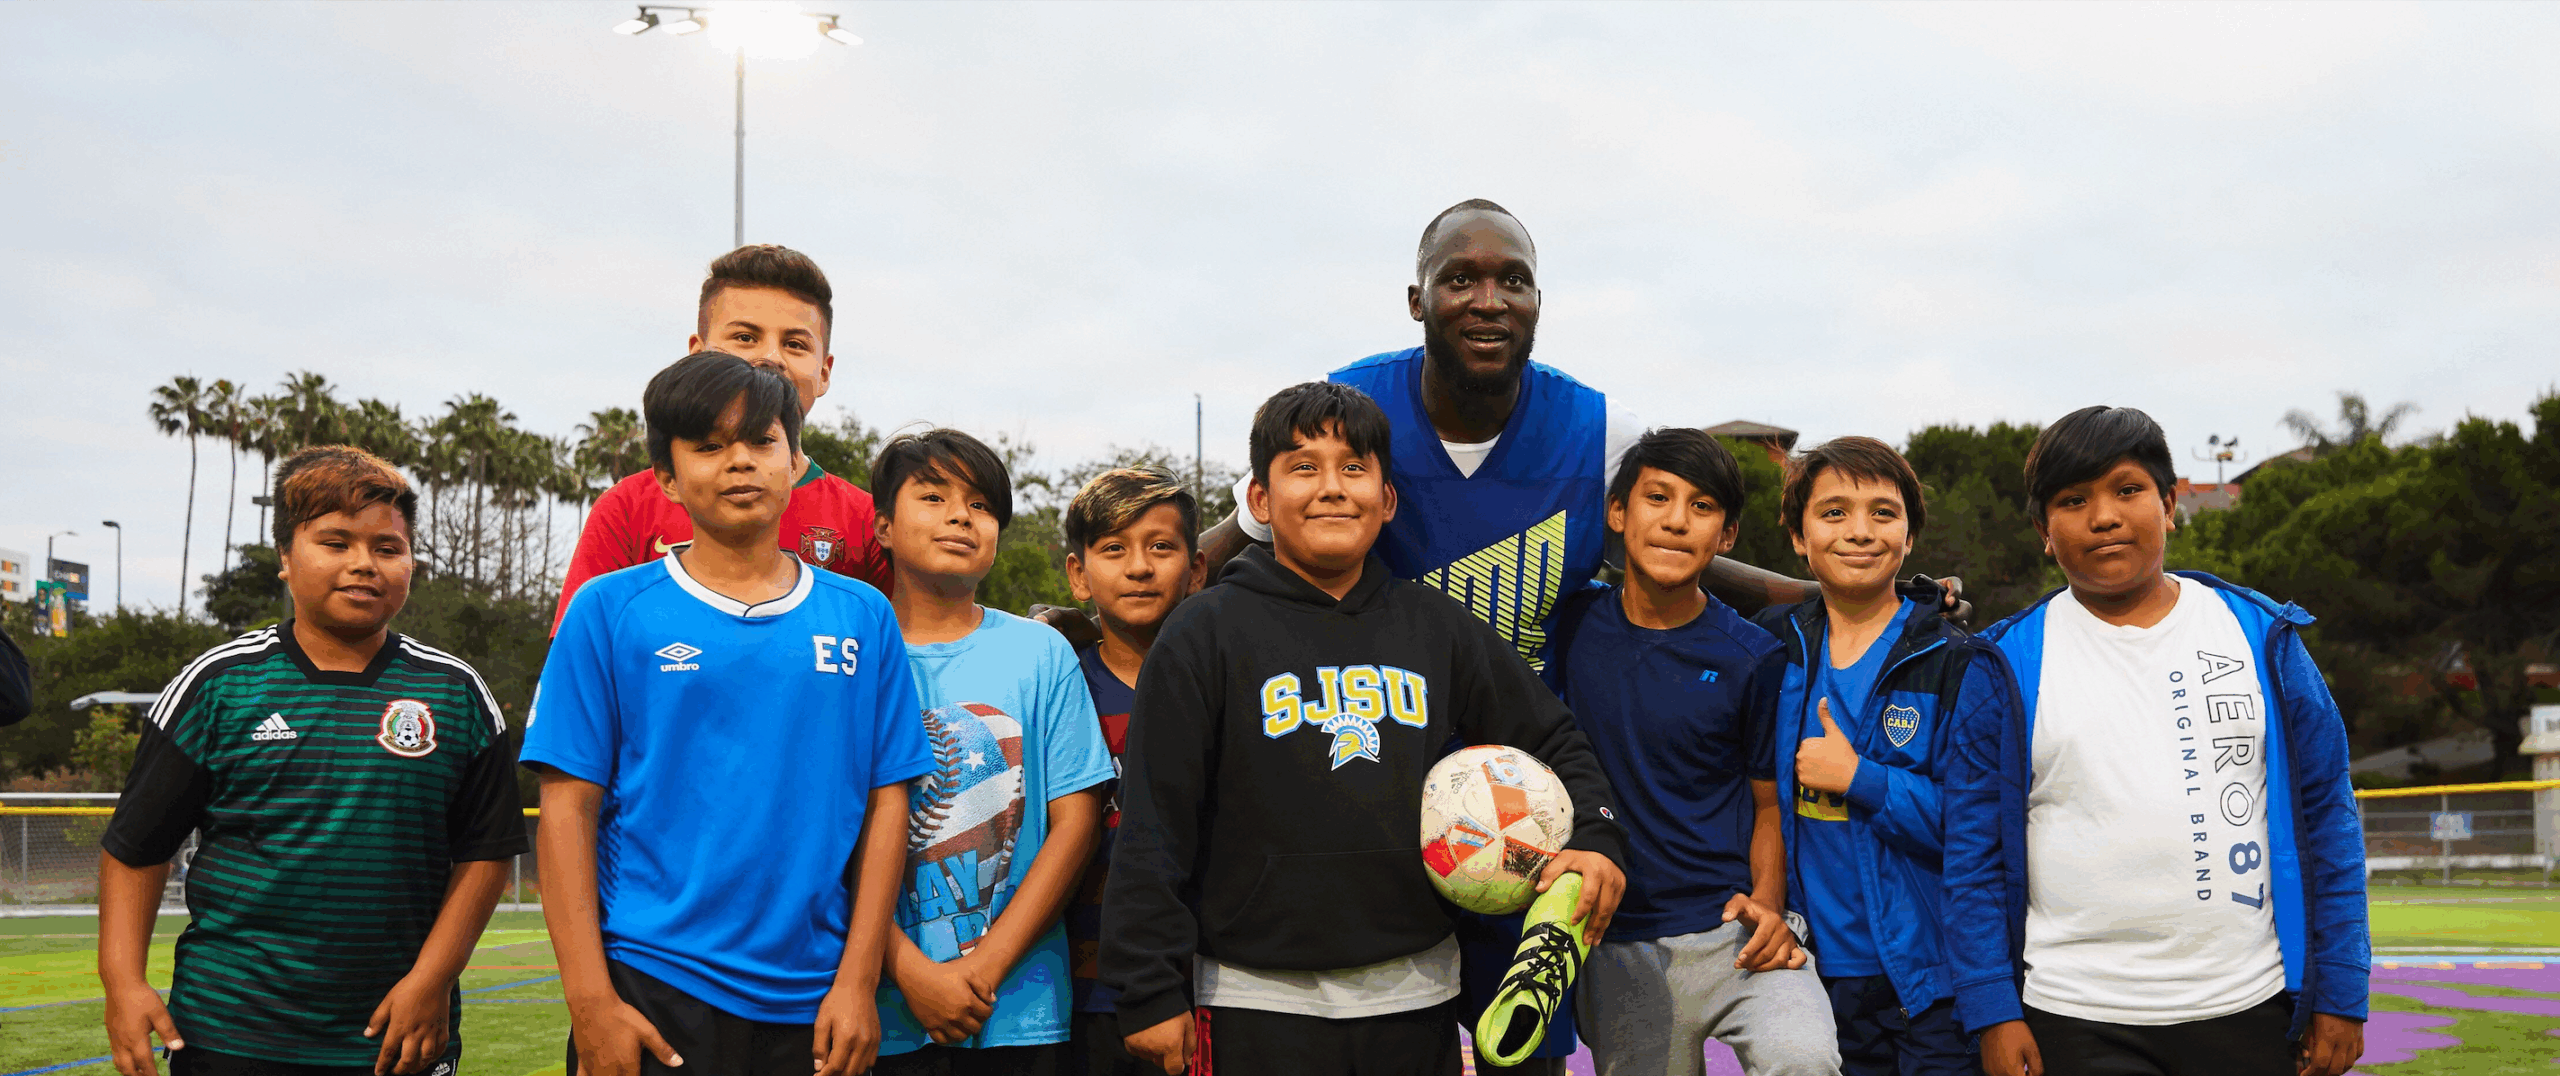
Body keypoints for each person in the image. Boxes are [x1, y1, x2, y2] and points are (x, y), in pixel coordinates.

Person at [1101, 381, 1629, 1076]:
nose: (1331, 488)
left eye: (1354, 468)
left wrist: (1595, 835)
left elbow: (1555, 737)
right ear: (1259, 500)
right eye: (1302, 467)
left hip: (1416, 1000)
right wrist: (1146, 989)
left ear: (1387, 500)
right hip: (1254, 1004)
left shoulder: (1436, 627)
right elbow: (1152, 824)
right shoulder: (1203, 632)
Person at [524, 353, 928, 1076]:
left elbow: (887, 800)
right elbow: (566, 810)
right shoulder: (610, 612)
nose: (740, 461)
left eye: (761, 440)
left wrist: (860, 984)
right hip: (654, 982)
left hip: (816, 997)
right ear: (668, 478)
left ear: (796, 459)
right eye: (709, 446)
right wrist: (591, 1005)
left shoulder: (864, 614)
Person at [1944, 406, 2368, 1076]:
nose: (2104, 516)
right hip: (2073, 1013)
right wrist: (1992, 1010)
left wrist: (2342, 989)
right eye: (2073, 500)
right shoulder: (2002, 666)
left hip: (2249, 1002)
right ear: (2043, 533)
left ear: (2170, 504)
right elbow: (1971, 856)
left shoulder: (2262, 638)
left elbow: (2328, 820)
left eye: (2127, 490)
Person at [97, 445, 524, 1076]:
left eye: (387, 547)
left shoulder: (455, 692)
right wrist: (122, 981)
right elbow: (135, 847)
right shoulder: (219, 685)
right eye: (335, 542)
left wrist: (432, 979)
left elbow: (485, 853)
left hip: (398, 1031)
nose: (363, 564)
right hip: (231, 1028)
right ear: (286, 560)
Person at [1543, 428, 1834, 1076]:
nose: (1676, 522)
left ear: (1726, 535)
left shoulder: (1753, 657)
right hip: (1616, 939)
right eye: (1658, 498)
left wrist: (1768, 902)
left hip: (1733, 929)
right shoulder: (1571, 626)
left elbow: (1766, 805)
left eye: (1702, 507)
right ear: (1619, 513)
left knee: (1804, 1059)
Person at [1757, 437, 2009, 1076]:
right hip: (1808, 978)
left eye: (1883, 513)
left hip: (1929, 986)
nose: (1860, 532)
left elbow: (1977, 830)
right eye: (1834, 512)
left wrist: (1860, 779)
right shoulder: (1769, 653)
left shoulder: (1959, 662)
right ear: (1798, 536)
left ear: (1910, 536)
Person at [870, 429, 1116, 1074]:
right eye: (932, 496)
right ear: (884, 527)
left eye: (981, 505)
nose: (960, 515)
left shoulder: (1039, 654)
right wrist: (910, 973)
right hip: (880, 1015)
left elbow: (1075, 823)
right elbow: (823, 841)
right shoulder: (851, 655)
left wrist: (982, 968)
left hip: (1019, 1013)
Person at [553, 244, 891, 633]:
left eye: (795, 344)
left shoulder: (867, 521)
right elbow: (580, 664)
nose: (771, 358)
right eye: (746, 337)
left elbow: (902, 660)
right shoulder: (628, 508)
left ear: (825, 372)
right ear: (697, 353)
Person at [1057, 467, 1208, 1076]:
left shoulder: (1224, 682)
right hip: (1079, 989)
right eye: (1113, 549)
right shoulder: (1059, 687)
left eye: (1161, 547)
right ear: (1078, 575)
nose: (1139, 567)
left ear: (1196, 570)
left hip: (1209, 986)